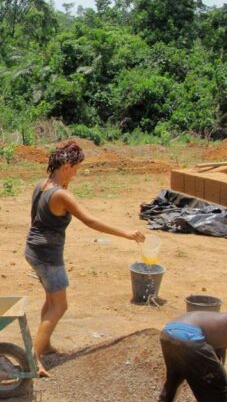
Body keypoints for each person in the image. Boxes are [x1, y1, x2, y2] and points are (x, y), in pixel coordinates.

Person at [25, 140, 145, 377]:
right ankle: (33, 357)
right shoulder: (60, 194)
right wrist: (127, 233)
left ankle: (44, 345)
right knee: (60, 305)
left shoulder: (42, 185)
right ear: (66, 165)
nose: (77, 174)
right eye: (77, 168)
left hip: (34, 250)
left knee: (51, 301)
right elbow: (90, 221)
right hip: (48, 256)